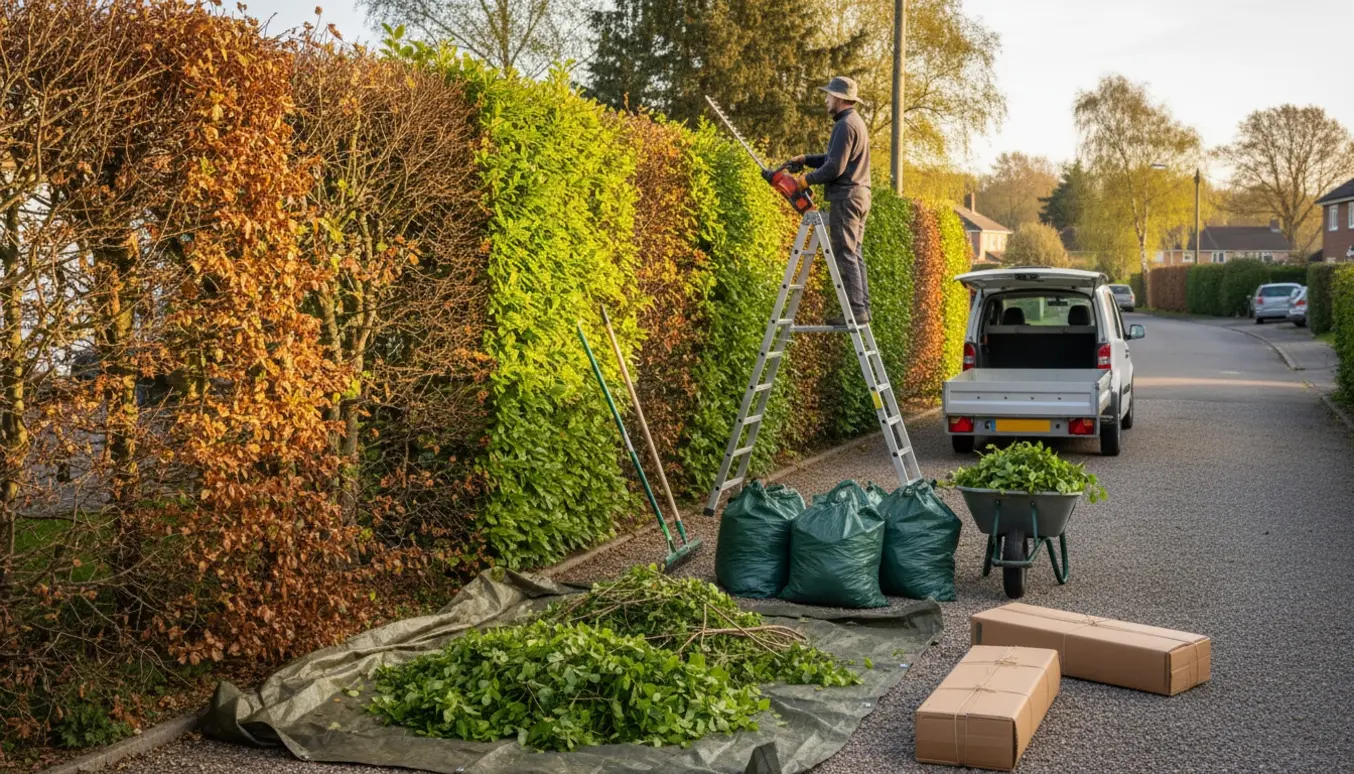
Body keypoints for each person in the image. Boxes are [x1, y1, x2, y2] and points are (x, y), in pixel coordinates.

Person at [786, 76, 872, 325]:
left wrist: (805, 181)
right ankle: (862, 308)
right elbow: (832, 157)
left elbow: (835, 167)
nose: (826, 100)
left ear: (839, 98)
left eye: (828, 96)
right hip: (860, 194)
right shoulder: (854, 123)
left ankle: (855, 311)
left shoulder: (844, 125)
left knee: (846, 253)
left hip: (846, 196)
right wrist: (806, 159)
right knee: (855, 253)